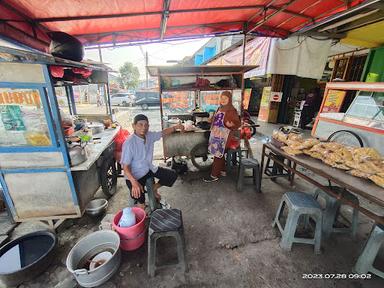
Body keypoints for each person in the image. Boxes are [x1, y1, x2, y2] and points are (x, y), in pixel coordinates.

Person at [120, 114, 184, 209]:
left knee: (172, 175)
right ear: (133, 126)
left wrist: (176, 127)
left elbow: (162, 133)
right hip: (134, 175)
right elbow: (125, 167)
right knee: (141, 204)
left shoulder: (149, 135)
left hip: (148, 169)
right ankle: (141, 202)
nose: (144, 127)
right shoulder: (129, 143)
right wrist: (134, 182)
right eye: (140, 124)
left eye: (146, 125)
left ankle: (153, 188)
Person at [204, 91, 241, 182]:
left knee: (218, 155)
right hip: (216, 134)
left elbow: (237, 123)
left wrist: (231, 124)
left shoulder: (232, 110)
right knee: (220, 154)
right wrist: (211, 119)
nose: (223, 100)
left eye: (225, 98)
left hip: (225, 136)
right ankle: (223, 171)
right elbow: (216, 119)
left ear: (230, 99)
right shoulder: (219, 108)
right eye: (221, 98)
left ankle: (214, 175)